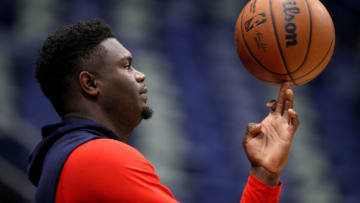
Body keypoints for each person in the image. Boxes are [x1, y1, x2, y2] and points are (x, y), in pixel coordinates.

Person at [27, 19, 299, 203]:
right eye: (126, 66)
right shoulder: (101, 158)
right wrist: (265, 179)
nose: (141, 75)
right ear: (89, 83)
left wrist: (266, 173)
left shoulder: (62, 158)